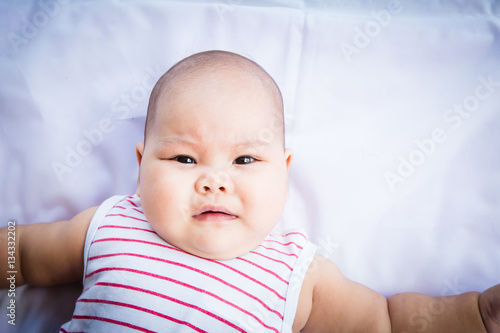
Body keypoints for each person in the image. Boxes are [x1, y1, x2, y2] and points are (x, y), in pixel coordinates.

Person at [1, 50, 498, 333]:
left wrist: (473, 314)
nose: (214, 179)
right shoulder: (111, 225)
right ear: (140, 166)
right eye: (183, 158)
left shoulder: (295, 274)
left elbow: (384, 321)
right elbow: (18, 253)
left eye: (245, 160)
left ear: (283, 172)